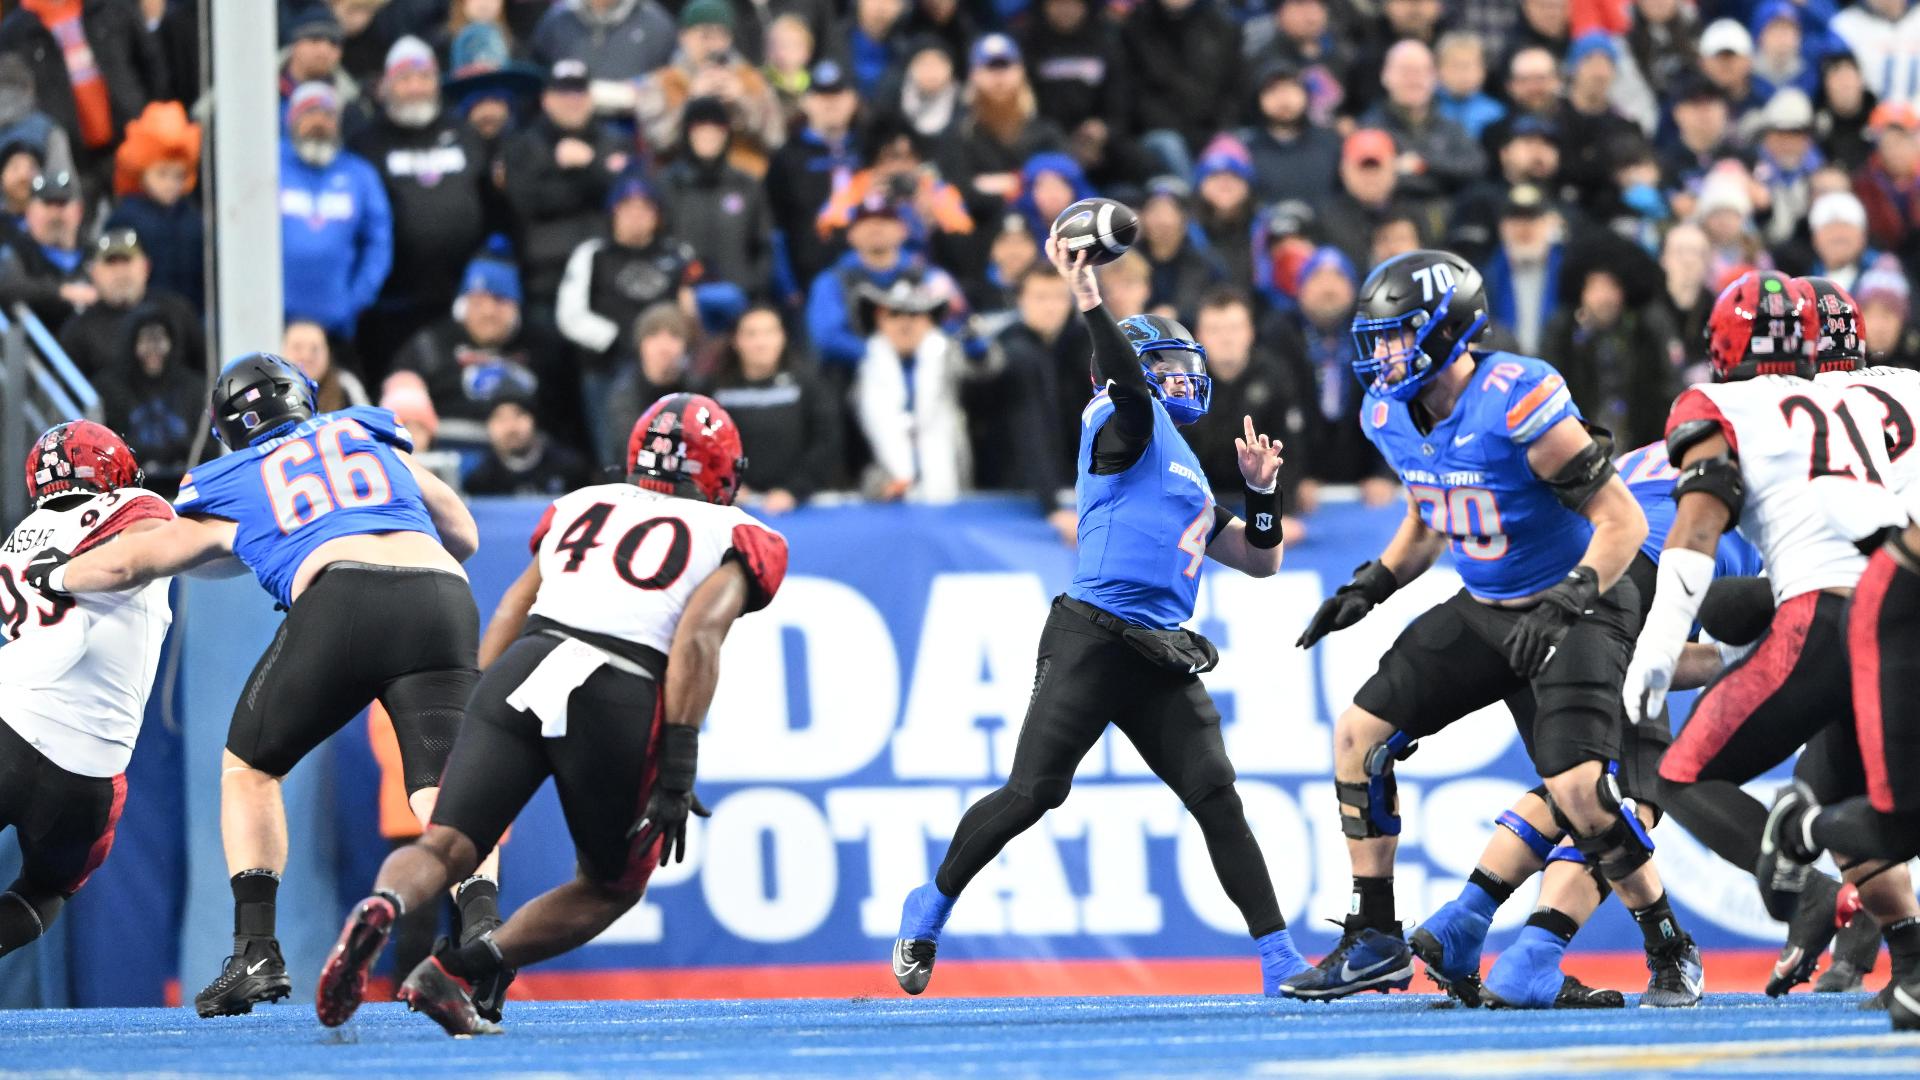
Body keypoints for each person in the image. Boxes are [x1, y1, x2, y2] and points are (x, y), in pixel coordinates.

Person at [1288, 249, 1702, 1007]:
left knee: (1581, 792)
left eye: (1397, 336)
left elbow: (1622, 521)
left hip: (1577, 603)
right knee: (1358, 735)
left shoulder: (1517, 398)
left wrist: (1566, 601)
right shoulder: (1385, 412)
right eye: (1374, 338)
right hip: (1487, 608)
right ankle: (1376, 935)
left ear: (1448, 331)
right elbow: (1429, 514)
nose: (1381, 356)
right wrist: (1369, 586)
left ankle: (1667, 944)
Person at [22, 353, 491, 1020]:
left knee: (250, 768)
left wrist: (51, 575)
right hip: (445, 595)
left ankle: (255, 952)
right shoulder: (363, 433)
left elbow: (131, 560)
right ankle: (481, 931)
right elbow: (464, 533)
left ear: (230, 429)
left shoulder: (236, 475)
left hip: (343, 596)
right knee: (443, 791)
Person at [892, 235, 1301, 997]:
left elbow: (1261, 560)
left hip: (1158, 652)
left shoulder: (1183, 463)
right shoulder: (1120, 420)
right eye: (1166, 366)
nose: (1183, 378)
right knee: (1034, 792)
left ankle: (1279, 958)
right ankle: (932, 902)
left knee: (1217, 794)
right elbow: (1131, 390)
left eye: (1189, 366)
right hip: (1092, 634)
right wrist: (1090, 301)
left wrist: (1264, 495)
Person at [315, 393, 788, 1037]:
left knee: (445, 846)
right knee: (609, 886)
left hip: (525, 663)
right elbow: (698, 638)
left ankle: (383, 902)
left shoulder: (584, 502)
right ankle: (457, 970)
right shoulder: (736, 533)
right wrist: (677, 767)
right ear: (718, 471)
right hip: (617, 684)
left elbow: (513, 602)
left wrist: (475, 702)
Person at [1626, 272, 1920, 1011]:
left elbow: (1699, 524)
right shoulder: (1866, 394)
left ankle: (1807, 868)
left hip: (1836, 606)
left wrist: (1662, 645)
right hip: (1898, 601)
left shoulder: (1724, 403)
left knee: (1679, 772)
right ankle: (1911, 967)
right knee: (1882, 805)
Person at [0, 423, 172, 966]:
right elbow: (140, 551)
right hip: (87, 770)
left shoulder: (15, 540)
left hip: (9, 723)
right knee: (46, 892)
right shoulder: (133, 503)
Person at [349, 36, 498, 375]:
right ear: (386, 86)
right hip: (390, 306)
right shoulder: (366, 143)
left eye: (423, 77)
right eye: (404, 79)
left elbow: (491, 200)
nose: (415, 87)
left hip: (458, 300)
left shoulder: (464, 134)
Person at [392, 252, 560, 450]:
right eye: (478, 302)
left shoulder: (544, 348)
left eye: (499, 300)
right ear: (462, 306)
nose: (488, 312)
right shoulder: (429, 346)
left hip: (524, 459)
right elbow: (400, 396)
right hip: (452, 455)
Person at [499, 60, 631, 311]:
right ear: (546, 99)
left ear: (591, 98)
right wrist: (564, 170)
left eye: (579, 92)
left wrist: (589, 165)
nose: (573, 100)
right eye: (564, 93)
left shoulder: (615, 141)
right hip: (545, 276)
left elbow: (627, 197)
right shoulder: (523, 145)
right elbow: (525, 202)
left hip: (605, 275)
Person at [280, 81, 392, 341]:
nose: (318, 122)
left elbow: (379, 243)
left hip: (337, 327)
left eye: (327, 114)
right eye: (309, 113)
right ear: (292, 120)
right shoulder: (270, 166)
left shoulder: (360, 174)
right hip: (273, 320)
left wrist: (353, 301)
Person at [705, 305, 840, 511]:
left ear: (783, 337)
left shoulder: (808, 384)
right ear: (736, 341)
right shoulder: (714, 390)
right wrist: (725, 483)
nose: (761, 343)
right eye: (751, 334)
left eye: (769, 333)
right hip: (734, 506)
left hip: (799, 507)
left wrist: (794, 490)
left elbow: (826, 440)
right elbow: (700, 444)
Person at [633, 0, 784, 178]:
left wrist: (742, 101)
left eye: (721, 35)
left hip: (742, 183)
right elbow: (657, 141)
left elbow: (776, 138)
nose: (713, 45)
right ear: (684, 37)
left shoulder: (749, 79)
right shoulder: (663, 82)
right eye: (704, 35)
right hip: (681, 183)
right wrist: (691, 100)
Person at [854, 277, 970, 502]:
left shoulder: (952, 361)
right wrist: (878, 484)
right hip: (885, 503)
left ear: (929, 321)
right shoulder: (859, 371)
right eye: (894, 315)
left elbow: (985, 371)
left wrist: (979, 350)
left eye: (915, 315)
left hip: (953, 494)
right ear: (880, 320)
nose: (904, 324)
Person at [765, 59, 860, 301]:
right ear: (806, 102)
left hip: (870, 275)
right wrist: (788, 287)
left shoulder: (869, 150)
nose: (830, 104)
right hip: (809, 279)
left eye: (838, 95)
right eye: (821, 96)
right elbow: (776, 229)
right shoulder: (787, 158)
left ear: (853, 100)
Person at [659, 96, 771, 299]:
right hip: (683, 299)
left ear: (726, 134)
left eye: (715, 129)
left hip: (739, 296)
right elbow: (659, 244)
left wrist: (751, 287)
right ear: (687, 134)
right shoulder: (668, 185)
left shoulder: (746, 185)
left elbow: (764, 245)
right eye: (700, 129)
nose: (708, 136)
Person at [96, 297, 205, 497]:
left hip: (185, 487)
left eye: (159, 339)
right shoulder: (110, 388)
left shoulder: (192, 387)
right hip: (131, 491)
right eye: (147, 340)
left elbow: (202, 445)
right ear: (133, 343)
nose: (153, 349)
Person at [58, 228, 197, 384]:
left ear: (146, 266)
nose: (120, 273)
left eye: (127, 261)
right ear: (93, 272)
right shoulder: (78, 330)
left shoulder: (177, 312)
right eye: (111, 263)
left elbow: (205, 370)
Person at [104, 100, 204, 312]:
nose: (170, 184)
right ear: (141, 172)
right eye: (162, 174)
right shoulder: (125, 218)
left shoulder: (193, 219)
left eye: (178, 176)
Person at [462, 386, 595, 496]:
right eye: (500, 418)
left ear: (534, 420)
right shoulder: (480, 480)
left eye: (518, 415)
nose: (511, 427)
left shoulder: (570, 467)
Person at [0, 169, 90, 330]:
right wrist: (61, 291)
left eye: (62, 204)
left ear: (78, 210)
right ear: (29, 211)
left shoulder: (94, 253)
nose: (55, 213)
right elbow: (9, 286)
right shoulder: (18, 252)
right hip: (33, 349)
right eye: (47, 204)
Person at [528, 0, 677, 82]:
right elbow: (538, 78)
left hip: (638, 128)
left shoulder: (657, 24)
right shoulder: (556, 20)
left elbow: (672, 81)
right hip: (566, 127)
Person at [282, 318, 369, 413]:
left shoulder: (346, 385)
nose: (306, 356)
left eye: (314, 349)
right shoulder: (269, 388)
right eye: (297, 348)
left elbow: (367, 419)